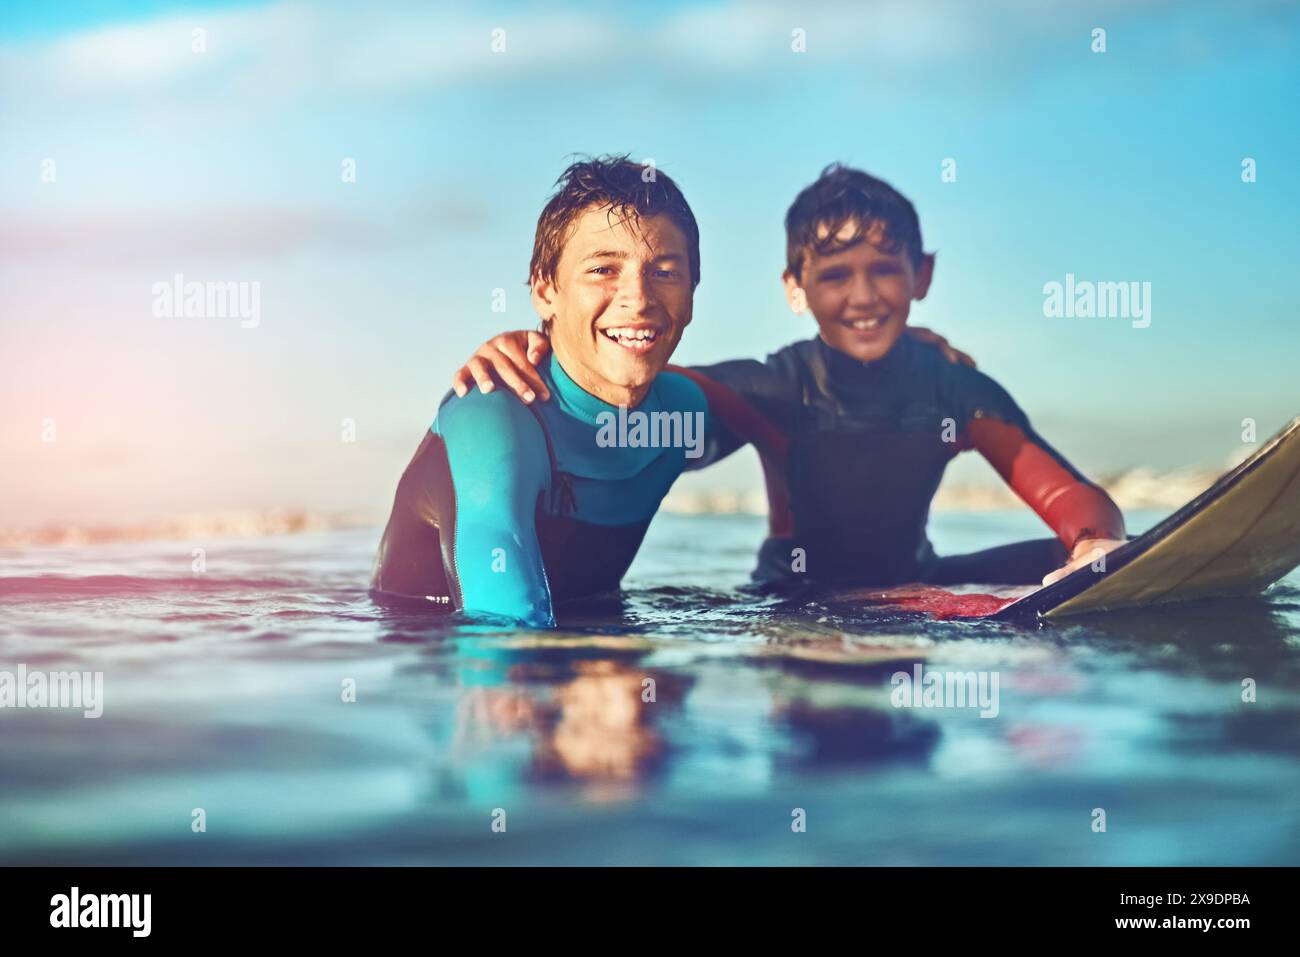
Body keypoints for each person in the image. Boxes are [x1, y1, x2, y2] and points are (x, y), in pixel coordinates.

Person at [450, 164, 1127, 592]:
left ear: (922, 275)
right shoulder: (775, 389)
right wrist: (535, 343)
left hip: (910, 581)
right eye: (834, 276)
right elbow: (622, 386)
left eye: (885, 270)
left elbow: (1068, 490)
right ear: (795, 288)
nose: (862, 296)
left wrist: (1092, 539)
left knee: (1082, 557)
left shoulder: (954, 387)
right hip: (796, 600)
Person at [371, 157, 710, 627]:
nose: (639, 299)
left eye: (665, 272)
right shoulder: (491, 420)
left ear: (694, 290)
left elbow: (796, 412)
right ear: (545, 290)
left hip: (581, 639)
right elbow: (503, 636)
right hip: (442, 668)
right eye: (602, 270)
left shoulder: (683, 411)